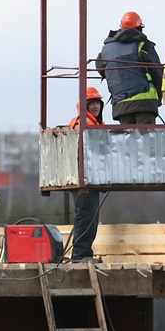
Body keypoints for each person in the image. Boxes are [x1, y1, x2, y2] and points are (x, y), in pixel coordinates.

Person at [96, 11, 163, 124]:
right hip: (145, 103)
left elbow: (101, 69)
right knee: (146, 139)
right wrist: (158, 99)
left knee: (127, 140)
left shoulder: (107, 49)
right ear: (139, 28)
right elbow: (157, 72)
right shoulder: (143, 45)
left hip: (121, 105)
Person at [67, 87, 104, 261]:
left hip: (88, 176)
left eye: (97, 103)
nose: (96, 106)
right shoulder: (85, 123)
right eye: (92, 103)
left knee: (89, 215)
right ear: (85, 105)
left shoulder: (92, 122)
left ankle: (82, 253)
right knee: (86, 215)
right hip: (83, 176)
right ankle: (80, 254)